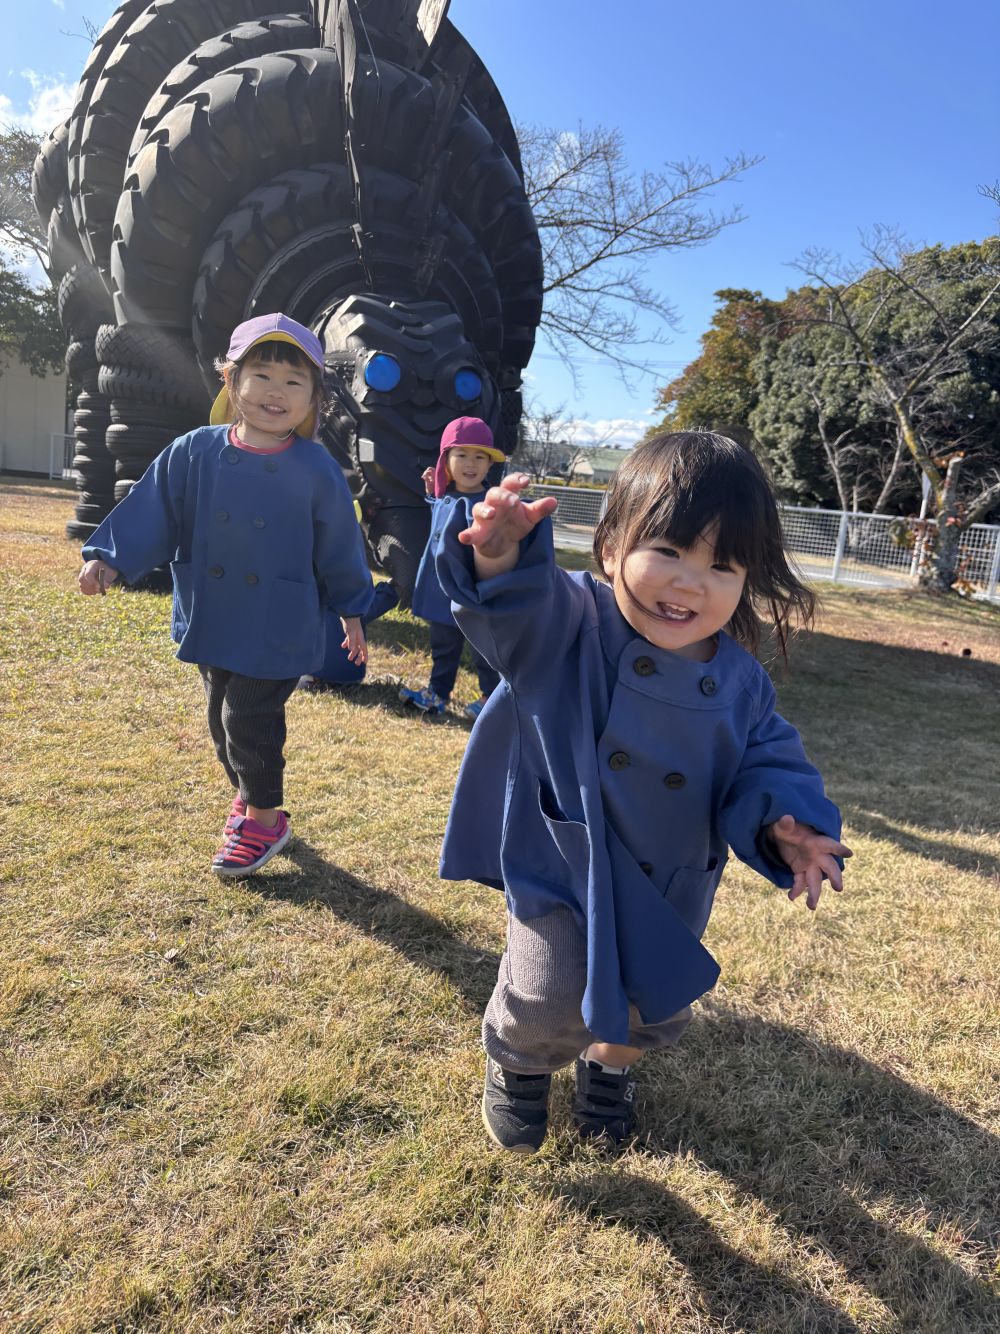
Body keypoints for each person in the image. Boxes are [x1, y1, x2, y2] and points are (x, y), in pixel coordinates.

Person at [434, 431, 852, 1153]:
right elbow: (512, 610)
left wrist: (790, 824)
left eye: (721, 565)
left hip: (670, 877)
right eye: (668, 551)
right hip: (565, 864)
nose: (690, 583)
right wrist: (498, 556)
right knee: (547, 990)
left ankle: (608, 1070)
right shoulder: (572, 624)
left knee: (648, 1001)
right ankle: (517, 1063)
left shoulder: (743, 684)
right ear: (609, 548)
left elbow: (769, 763)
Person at [78, 313, 374, 877]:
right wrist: (109, 556)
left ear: (314, 398)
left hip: (279, 619)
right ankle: (247, 789)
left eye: (294, 382)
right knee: (221, 719)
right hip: (213, 614)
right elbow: (153, 507)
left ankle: (265, 819)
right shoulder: (194, 450)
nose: (275, 392)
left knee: (249, 717)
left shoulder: (316, 467)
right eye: (261, 375)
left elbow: (340, 545)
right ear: (231, 382)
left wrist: (352, 610)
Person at [398, 416, 506, 720]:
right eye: (461, 455)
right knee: (443, 645)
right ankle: (439, 692)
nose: (470, 464)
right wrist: (433, 492)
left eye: (479, 456)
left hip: (473, 591)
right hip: (441, 590)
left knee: (483, 647)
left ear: (489, 465)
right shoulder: (445, 496)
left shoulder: (488, 503)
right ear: (446, 460)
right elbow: (443, 511)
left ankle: (492, 697)